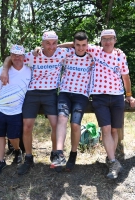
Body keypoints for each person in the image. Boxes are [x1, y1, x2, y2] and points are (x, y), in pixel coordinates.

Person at [0, 31, 74, 175]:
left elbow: (76, 44)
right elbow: (12, 57)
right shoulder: (33, 55)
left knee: (55, 124)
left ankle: (55, 154)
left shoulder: (61, 53)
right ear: (42, 43)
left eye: (54, 43)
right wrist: (4, 70)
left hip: (51, 93)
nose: (51, 46)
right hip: (32, 93)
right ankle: (28, 157)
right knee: (27, 127)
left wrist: (58, 45)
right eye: (48, 43)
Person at [87, 29, 135, 179]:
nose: (107, 42)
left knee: (115, 130)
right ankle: (114, 162)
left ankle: (111, 160)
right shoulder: (94, 51)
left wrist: (129, 95)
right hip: (99, 97)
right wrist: (45, 49)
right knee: (106, 129)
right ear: (100, 41)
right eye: (104, 39)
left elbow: (125, 77)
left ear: (115, 40)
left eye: (110, 39)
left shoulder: (121, 55)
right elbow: (75, 43)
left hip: (117, 97)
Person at [50, 31, 94, 172]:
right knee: (61, 119)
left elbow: (104, 49)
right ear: (73, 45)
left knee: (75, 125)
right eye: (77, 45)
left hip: (81, 95)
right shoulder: (67, 53)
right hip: (65, 93)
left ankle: (73, 154)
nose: (81, 48)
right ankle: (59, 154)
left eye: (84, 45)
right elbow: (55, 48)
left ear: (88, 45)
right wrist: (71, 45)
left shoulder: (92, 55)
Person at [0, 45, 31, 177]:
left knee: (13, 137)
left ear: (24, 57)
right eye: (14, 55)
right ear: (10, 56)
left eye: (19, 55)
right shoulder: (2, 70)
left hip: (17, 110)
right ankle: (0, 161)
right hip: (0, 108)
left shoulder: (29, 70)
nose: (16, 58)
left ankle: (17, 150)